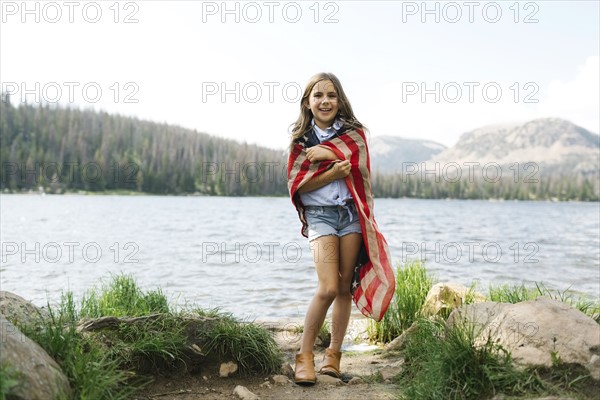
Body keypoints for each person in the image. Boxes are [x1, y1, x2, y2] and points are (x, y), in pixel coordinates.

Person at [287, 73, 395, 385]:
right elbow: (299, 186)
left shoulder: (354, 134)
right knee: (328, 287)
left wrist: (329, 151)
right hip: (321, 215)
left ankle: (333, 356)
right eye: (318, 95)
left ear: (340, 100)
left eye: (331, 95)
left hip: (351, 214)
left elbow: (359, 159)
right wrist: (333, 168)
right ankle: (304, 356)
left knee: (345, 285)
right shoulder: (300, 142)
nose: (325, 101)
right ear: (308, 102)